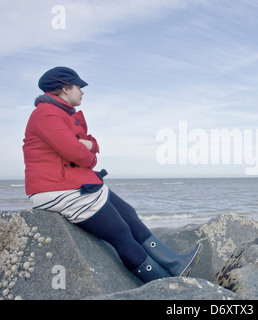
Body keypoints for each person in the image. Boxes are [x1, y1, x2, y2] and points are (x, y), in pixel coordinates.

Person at [22, 66, 202, 283]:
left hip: (76, 184)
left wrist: (87, 146)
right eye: (79, 86)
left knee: (128, 214)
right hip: (59, 190)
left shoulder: (61, 113)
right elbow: (79, 155)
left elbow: (91, 145)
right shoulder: (46, 114)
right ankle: (164, 284)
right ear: (64, 88)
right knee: (121, 234)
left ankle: (175, 263)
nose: (82, 91)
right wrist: (87, 150)